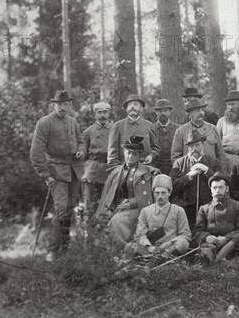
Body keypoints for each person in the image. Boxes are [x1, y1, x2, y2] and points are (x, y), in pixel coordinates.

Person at [31, 89, 85, 261]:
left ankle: (65, 247)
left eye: (66, 104)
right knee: (61, 207)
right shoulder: (45, 123)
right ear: (54, 105)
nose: (63, 107)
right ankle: (52, 250)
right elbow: (36, 152)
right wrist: (45, 174)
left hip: (75, 170)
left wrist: (81, 151)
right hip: (57, 170)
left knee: (69, 208)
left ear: (69, 105)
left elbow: (81, 141)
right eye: (59, 104)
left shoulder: (73, 122)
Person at [95, 136, 157, 248]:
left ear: (139, 156)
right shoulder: (116, 172)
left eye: (134, 154)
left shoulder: (147, 172)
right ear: (124, 152)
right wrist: (107, 210)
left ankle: (125, 250)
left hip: (139, 208)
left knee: (117, 221)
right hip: (118, 206)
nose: (130, 156)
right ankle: (108, 253)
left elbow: (149, 197)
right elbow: (107, 196)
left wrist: (132, 202)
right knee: (102, 222)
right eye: (128, 153)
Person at [130, 174, 191, 260]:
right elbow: (140, 234)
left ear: (169, 193)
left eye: (163, 193)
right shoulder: (145, 211)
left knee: (183, 243)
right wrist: (149, 247)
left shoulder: (178, 210)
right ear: (153, 193)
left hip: (169, 247)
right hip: (150, 247)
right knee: (130, 246)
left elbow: (185, 235)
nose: (160, 196)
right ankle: (151, 257)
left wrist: (169, 243)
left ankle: (164, 256)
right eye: (157, 193)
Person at [193, 172, 239, 263]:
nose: (217, 190)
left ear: (227, 189)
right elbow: (197, 232)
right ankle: (214, 261)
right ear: (211, 190)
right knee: (204, 250)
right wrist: (207, 237)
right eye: (214, 188)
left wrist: (226, 238)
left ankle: (217, 261)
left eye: (221, 187)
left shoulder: (238, 206)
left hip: (231, 244)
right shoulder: (204, 209)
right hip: (211, 243)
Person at [169, 130, 221, 228]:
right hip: (186, 208)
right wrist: (188, 176)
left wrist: (206, 170)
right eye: (190, 146)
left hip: (208, 207)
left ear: (203, 145)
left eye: (197, 145)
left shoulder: (214, 162)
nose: (193, 149)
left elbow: (221, 183)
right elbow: (171, 186)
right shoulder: (179, 163)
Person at [171, 98, 227, 170]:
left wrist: (219, 174)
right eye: (197, 110)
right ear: (190, 113)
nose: (201, 113)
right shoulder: (180, 131)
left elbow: (221, 156)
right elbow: (175, 158)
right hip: (190, 174)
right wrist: (185, 174)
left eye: (202, 110)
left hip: (211, 173)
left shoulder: (213, 129)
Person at [107, 94, 161, 167]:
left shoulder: (149, 126)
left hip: (145, 168)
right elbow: (112, 153)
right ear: (126, 109)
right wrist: (118, 170)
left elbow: (156, 148)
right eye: (129, 105)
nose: (132, 106)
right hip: (124, 169)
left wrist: (151, 156)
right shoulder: (117, 126)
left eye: (135, 104)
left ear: (141, 108)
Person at [81, 101, 112, 219]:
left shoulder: (114, 129)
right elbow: (83, 154)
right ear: (95, 114)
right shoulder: (88, 132)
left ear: (109, 113)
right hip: (92, 167)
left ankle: (104, 229)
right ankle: (87, 230)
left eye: (105, 112)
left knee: (106, 202)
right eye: (99, 112)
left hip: (108, 167)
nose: (102, 115)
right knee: (88, 202)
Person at [151, 98, 179, 175]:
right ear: (156, 112)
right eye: (160, 111)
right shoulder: (151, 129)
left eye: (165, 110)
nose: (163, 113)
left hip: (174, 167)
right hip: (156, 167)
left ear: (169, 112)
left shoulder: (178, 129)